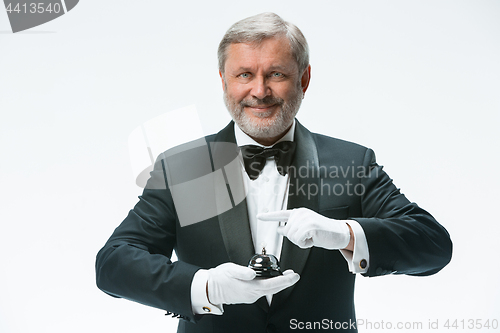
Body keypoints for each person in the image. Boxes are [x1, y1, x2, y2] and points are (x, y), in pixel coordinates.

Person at [95, 12, 452, 333]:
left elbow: (433, 244)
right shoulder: (183, 167)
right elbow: (114, 264)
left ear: (304, 79)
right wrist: (205, 287)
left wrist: (344, 233)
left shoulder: (351, 162)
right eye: (244, 75)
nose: (259, 91)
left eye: (276, 74)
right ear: (224, 81)